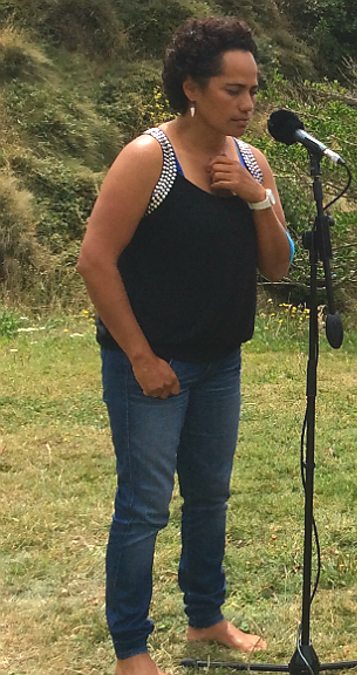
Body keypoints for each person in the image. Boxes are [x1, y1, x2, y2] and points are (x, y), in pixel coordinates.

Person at [76, 17, 293, 675]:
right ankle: (131, 649)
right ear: (192, 88)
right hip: (150, 365)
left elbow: (278, 264)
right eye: (233, 90)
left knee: (209, 498)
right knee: (144, 508)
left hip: (220, 361)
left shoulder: (252, 162)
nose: (248, 104)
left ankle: (206, 617)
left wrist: (257, 198)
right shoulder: (150, 159)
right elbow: (96, 261)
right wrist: (141, 358)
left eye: (252, 90)